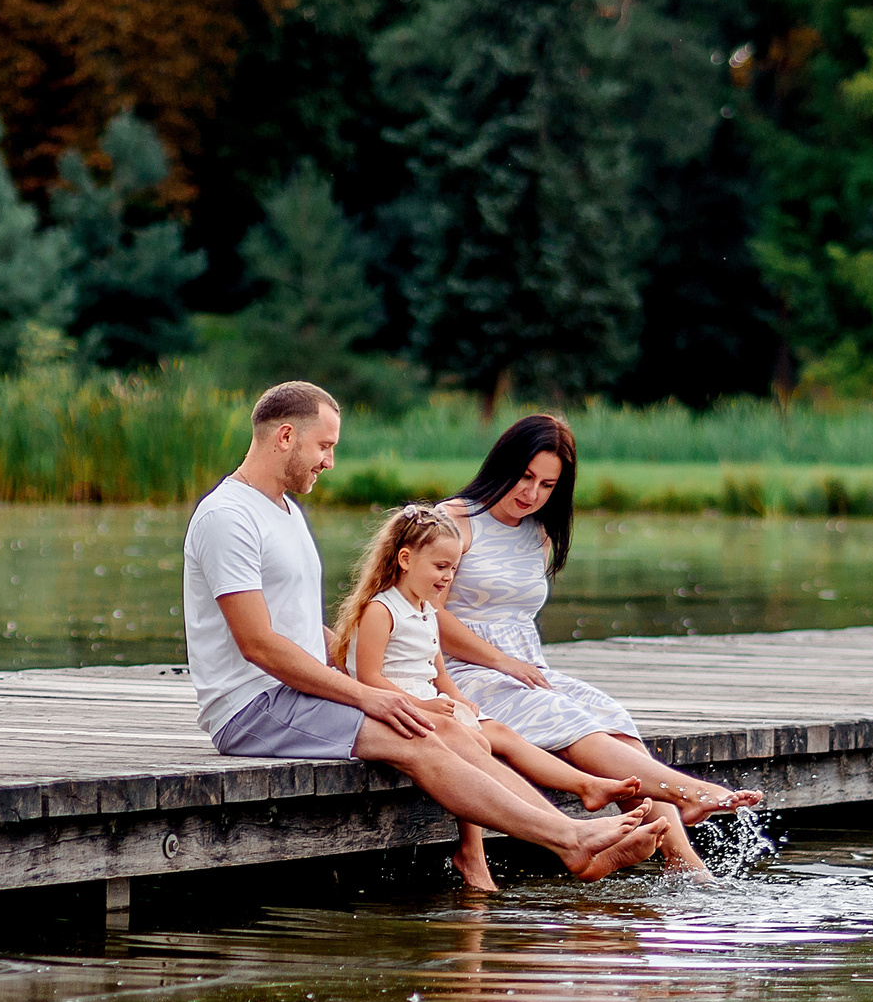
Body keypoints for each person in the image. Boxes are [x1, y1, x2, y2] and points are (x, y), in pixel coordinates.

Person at [183, 381, 664, 882]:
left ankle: (569, 838)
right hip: (253, 708)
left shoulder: (282, 510)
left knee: (453, 728)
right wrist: (368, 696)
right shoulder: (228, 517)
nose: (329, 462)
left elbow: (299, 630)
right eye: (325, 446)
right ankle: (571, 840)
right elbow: (258, 643)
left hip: (298, 695)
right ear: (285, 436)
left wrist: (372, 664)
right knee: (416, 738)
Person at [437, 412, 763, 872]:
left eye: (548, 485)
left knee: (611, 715)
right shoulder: (453, 521)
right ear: (502, 465)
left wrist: (517, 665)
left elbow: (515, 615)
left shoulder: (538, 531)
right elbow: (426, 613)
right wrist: (500, 662)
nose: (531, 495)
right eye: (525, 477)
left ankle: (682, 858)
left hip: (527, 670)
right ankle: (685, 791)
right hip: (459, 673)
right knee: (564, 716)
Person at [330, 503, 649, 891]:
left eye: (452, 568)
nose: (447, 577)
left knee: (493, 734)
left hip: (426, 701)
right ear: (405, 559)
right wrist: (426, 705)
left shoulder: (428, 611)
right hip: (391, 706)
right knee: (474, 742)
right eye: (440, 567)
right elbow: (369, 678)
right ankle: (478, 853)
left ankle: (584, 786)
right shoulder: (382, 610)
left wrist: (457, 700)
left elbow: (439, 673)